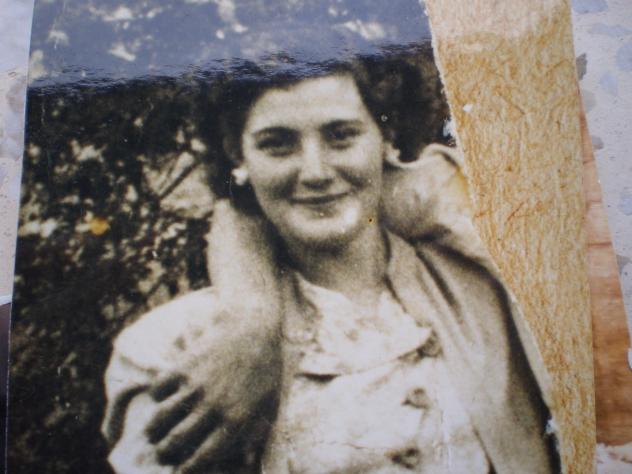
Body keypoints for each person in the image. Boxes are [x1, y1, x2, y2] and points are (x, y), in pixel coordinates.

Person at [101, 54, 560, 473]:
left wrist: (254, 312)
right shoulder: (174, 348)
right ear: (237, 155)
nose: (315, 171)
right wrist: (253, 320)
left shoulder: (482, 289)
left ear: (386, 135)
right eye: (277, 145)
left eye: (342, 136)